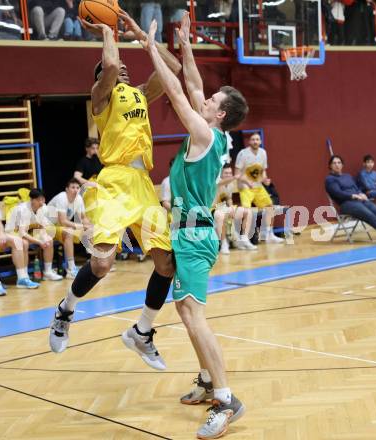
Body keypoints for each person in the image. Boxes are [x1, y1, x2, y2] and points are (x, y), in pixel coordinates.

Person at [49, 10, 181, 371]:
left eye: (125, 68)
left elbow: (173, 70)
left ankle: (142, 332)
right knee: (103, 262)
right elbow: (108, 67)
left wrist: (143, 37)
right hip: (114, 182)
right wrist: (108, 30)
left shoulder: (138, 95)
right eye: (115, 68)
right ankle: (65, 310)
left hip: (142, 185)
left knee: (166, 264)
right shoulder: (101, 97)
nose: (122, 69)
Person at [142, 13, 248, 438]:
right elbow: (194, 85)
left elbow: (179, 92)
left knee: (193, 315)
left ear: (218, 115)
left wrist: (151, 48)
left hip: (194, 233)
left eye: (211, 102)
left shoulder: (204, 134)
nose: (203, 99)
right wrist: (185, 45)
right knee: (186, 311)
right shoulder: (216, 134)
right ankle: (208, 382)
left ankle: (226, 398)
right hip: (189, 231)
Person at [234, 132, 284, 243]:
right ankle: (244, 239)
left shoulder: (263, 153)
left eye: (257, 139)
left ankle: (269, 234)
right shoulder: (243, 154)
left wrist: (265, 180)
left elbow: (263, 172)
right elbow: (237, 174)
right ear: (249, 141)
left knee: (270, 207)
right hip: (245, 187)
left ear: (260, 142)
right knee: (247, 212)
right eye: (253, 139)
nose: (255, 141)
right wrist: (247, 182)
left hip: (258, 187)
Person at [326, 155, 376, 237]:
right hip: (346, 204)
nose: (337, 165)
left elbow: (356, 188)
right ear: (330, 166)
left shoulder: (347, 176)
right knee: (371, 216)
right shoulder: (330, 179)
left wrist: (361, 193)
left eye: (339, 163)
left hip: (359, 200)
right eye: (334, 163)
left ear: (342, 165)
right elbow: (338, 193)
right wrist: (353, 196)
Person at [6, 188, 63, 281]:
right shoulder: (22, 210)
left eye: (42, 199)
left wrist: (44, 238)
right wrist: (39, 242)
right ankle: (24, 276)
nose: (41, 202)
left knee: (49, 240)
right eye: (39, 200)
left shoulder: (43, 208)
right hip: (13, 232)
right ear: (32, 200)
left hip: (29, 231)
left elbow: (42, 226)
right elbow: (22, 233)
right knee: (23, 243)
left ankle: (47, 272)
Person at [48, 178, 91, 279]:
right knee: (69, 232)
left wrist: (88, 226)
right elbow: (62, 221)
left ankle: (95, 260)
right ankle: (71, 269)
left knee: (90, 230)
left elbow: (83, 217)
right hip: (46, 227)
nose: (75, 190)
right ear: (67, 189)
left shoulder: (79, 199)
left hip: (59, 227)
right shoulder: (62, 198)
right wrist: (81, 226)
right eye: (72, 187)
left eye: (77, 187)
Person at [213, 164, 256, 254]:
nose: (228, 175)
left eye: (230, 173)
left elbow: (228, 198)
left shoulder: (231, 184)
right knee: (219, 215)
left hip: (226, 208)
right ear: (221, 174)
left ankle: (244, 239)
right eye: (226, 173)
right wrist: (235, 177)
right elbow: (222, 183)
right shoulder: (216, 181)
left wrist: (231, 206)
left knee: (247, 212)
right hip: (213, 209)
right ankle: (224, 244)